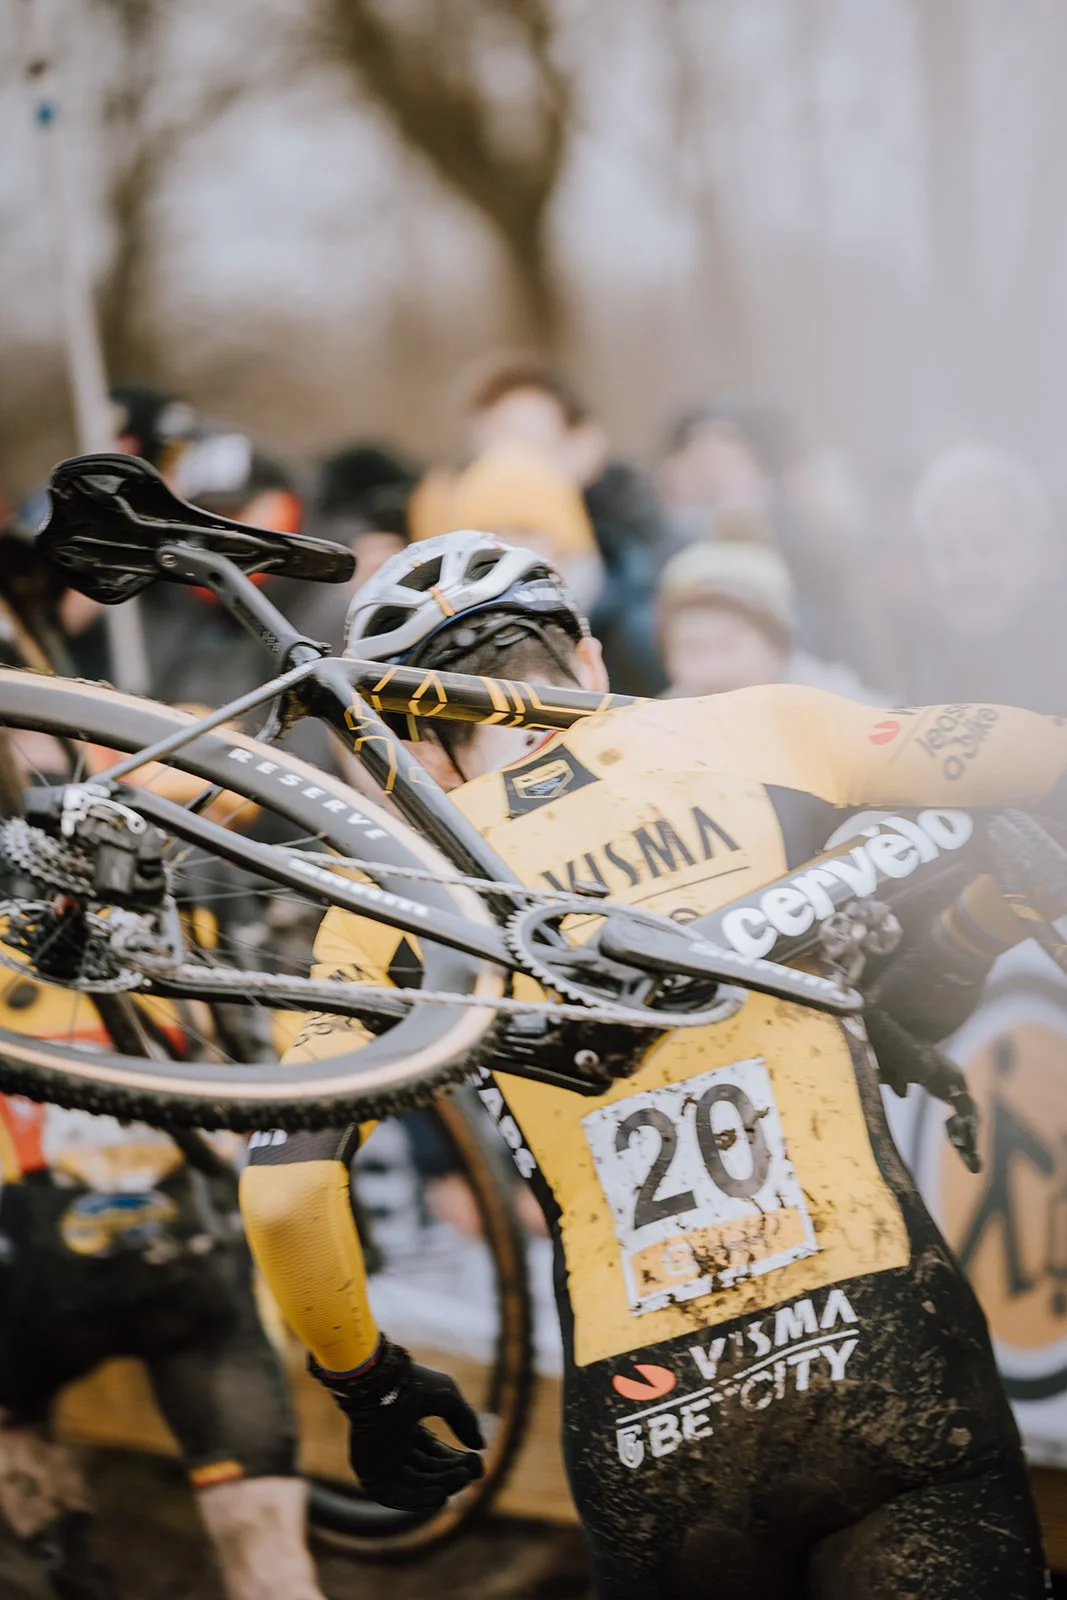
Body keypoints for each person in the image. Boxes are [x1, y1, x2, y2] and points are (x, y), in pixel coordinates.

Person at [237, 528, 1065, 1599]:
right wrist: (991, 907)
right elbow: (1040, 752)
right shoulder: (758, 725)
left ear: (412, 748)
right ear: (584, 659)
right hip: (880, 1346)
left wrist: (366, 1383)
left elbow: (286, 1197)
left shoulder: (394, 900)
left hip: (647, 1415)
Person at [461, 352, 672, 695]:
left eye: (528, 443)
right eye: (490, 450)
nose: (508, 467)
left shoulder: (649, 583)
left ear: (586, 446)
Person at [902, 441, 1067, 713]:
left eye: (987, 545)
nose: (966, 570)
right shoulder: (925, 668)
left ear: (1044, 554)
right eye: (947, 551)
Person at [657, 535, 883, 701]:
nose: (712, 666)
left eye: (728, 645)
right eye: (690, 649)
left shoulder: (838, 704)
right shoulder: (658, 726)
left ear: (776, 645)